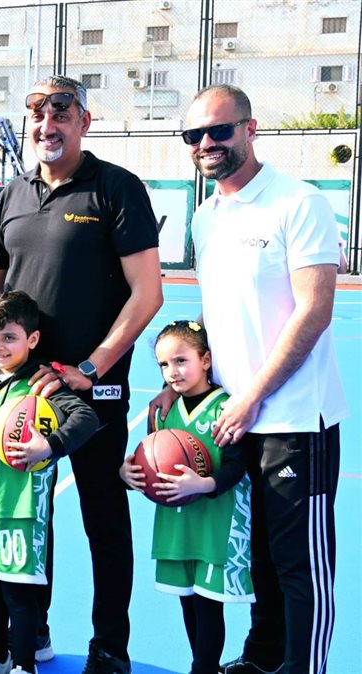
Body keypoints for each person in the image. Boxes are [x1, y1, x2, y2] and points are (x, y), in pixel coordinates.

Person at [0, 75, 163, 672]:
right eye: (37, 112)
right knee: (29, 519)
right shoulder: (10, 195)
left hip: (90, 391)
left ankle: (110, 648)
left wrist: (89, 367)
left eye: (61, 111)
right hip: (20, 392)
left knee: (104, 520)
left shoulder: (115, 188)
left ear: (84, 121)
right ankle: (34, 633)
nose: (47, 123)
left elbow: (148, 293)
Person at [158, 84, 346, 674]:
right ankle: (264, 660)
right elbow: (217, 315)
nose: (206, 143)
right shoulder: (206, 217)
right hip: (232, 420)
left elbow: (314, 311)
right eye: (194, 135)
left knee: (298, 565)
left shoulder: (300, 202)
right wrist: (182, 383)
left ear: (250, 128)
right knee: (257, 554)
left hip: (293, 419)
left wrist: (253, 395)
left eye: (219, 130)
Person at [0, 290, 97, 674]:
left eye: (9, 337)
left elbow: (86, 419)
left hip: (20, 508)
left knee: (19, 592)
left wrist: (50, 445)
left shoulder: (42, 385)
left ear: (33, 339)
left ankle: (24, 665)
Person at [122, 320, 251, 674]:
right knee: (189, 602)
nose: (172, 371)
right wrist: (127, 475)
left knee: (209, 605)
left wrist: (203, 484)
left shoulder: (226, 407)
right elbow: (150, 465)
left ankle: (203, 668)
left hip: (216, 523)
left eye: (181, 361)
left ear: (205, 360)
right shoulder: (163, 413)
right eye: (164, 365)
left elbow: (237, 466)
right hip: (177, 526)